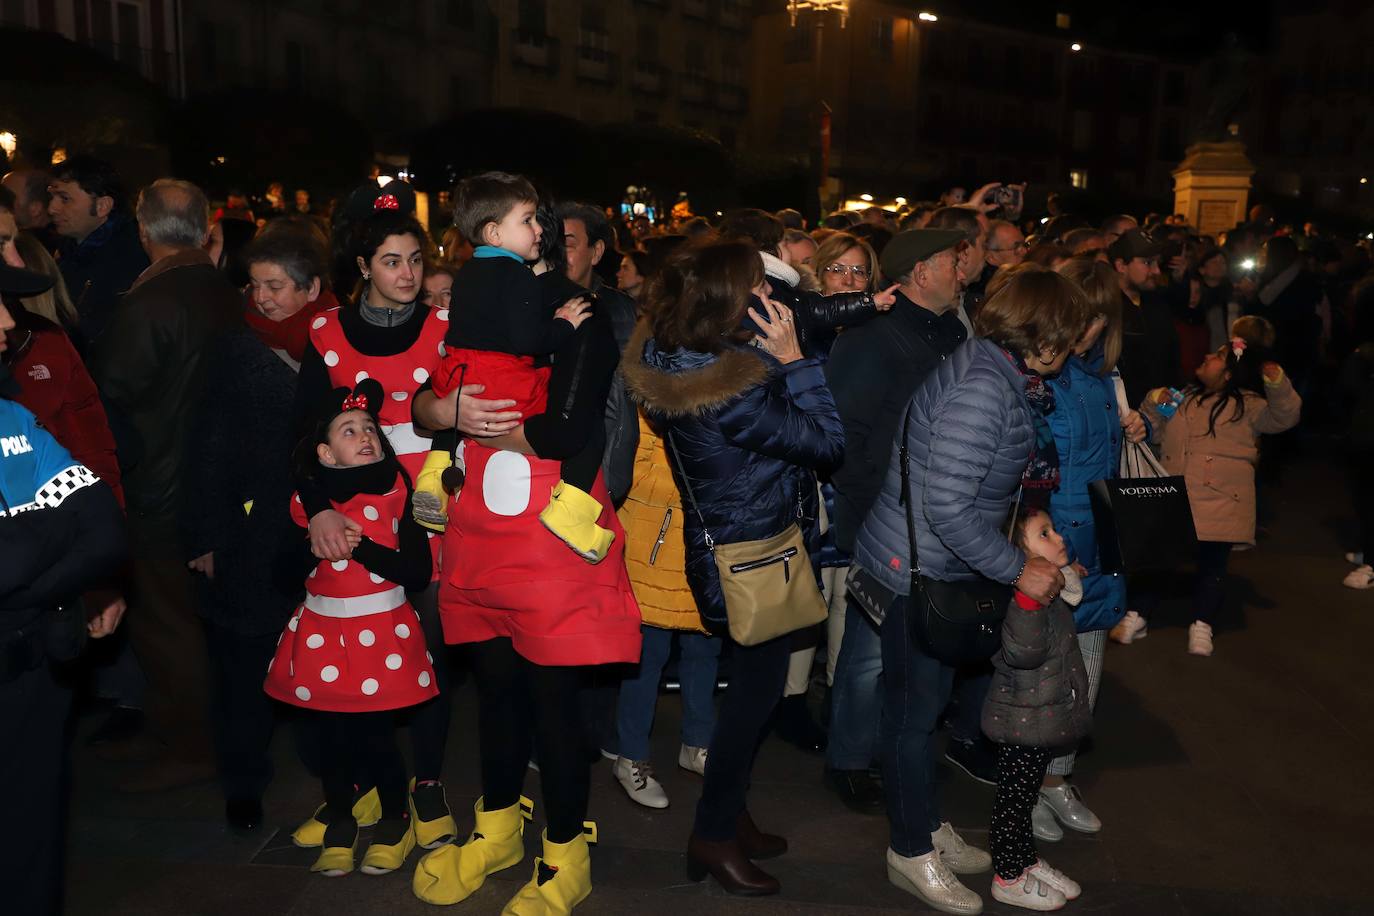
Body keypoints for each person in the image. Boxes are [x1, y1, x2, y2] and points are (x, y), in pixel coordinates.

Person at [410, 212, 640, 915]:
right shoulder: (483, 300)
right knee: (496, 693)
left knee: (553, 706)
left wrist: (478, 423)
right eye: (534, 230)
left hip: (547, 536)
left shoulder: (582, 318)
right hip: (476, 525)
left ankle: (567, 853)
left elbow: (569, 429)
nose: (541, 246)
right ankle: (501, 826)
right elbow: (425, 400)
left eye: (556, 235)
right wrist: (442, 408)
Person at [853, 264, 1091, 914]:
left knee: (923, 711)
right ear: (1041, 335)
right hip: (915, 569)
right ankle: (909, 849)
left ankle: (925, 827)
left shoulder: (989, 367)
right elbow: (949, 509)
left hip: (925, 563)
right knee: (909, 718)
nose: (1072, 352)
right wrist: (1021, 568)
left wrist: (1023, 525)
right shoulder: (986, 387)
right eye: (1068, 338)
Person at [623, 241, 844, 897]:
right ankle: (714, 835)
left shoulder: (676, 357)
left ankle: (731, 815)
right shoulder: (730, 390)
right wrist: (796, 362)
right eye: (756, 288)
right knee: (752, 700)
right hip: (752, 559)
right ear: (729, 304)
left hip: (726, 547)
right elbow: (828, 441)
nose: (768, 297)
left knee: (750, 693)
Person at [293, 190, 457, 851]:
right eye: (392, 261)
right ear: (363, 265)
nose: (408, 274)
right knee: (354, 652)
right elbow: (302, 437)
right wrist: (319, 509)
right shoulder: (325, 335)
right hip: (352, 516)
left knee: (432, 649)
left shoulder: (445, 329)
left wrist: (440, 490)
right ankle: (362, 785)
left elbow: (458, 425)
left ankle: (428, 784)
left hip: (430, 507)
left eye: (416, 260)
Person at [89, 178, 242, 792]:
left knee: (165, 623)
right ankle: (186, 734)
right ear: (205, 229)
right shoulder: (219, 289)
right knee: (192, 620)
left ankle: (188, 746)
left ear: (143, 228)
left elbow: (113, 399)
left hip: (159, 485)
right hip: (207, 482)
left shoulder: (152, 300)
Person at [182, 225, 334, 831]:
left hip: (323, 533)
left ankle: (330, 764)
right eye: (255, 284)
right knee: (244, 666)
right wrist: (205, 537)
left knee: (324, 650)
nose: (262, 297)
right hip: (252, 533)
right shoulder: (235, 348)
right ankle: (243, 782)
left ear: (312, 288)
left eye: (276, 286)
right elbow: (207, 447)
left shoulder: (337, 344)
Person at [266, 379, 436, 877]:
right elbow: (279, 577)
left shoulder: (399, 494)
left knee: (379, 736)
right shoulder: (306, 505)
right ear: (326, 453)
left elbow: (418, 572)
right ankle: (340, 816)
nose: (365, 435)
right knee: (331, 738)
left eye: (370, 428)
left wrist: (357, 545)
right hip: (322, 634)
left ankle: (394, 817)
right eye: (348, 430)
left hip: (382, 633)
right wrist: (313, 540)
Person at [823, 228, 968, 814]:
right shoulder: (870, 336)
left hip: (939, 522)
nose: (964, 272)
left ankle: (899, 749)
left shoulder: (953, 333)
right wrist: (871, 518)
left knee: (924, 648)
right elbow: (845, 439)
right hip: (885, 525)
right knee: (868, 653)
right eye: (953, 263)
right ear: (921, 272)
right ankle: (849, 760)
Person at [0, 336, 127, 915]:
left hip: (31, 672)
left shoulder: (12, 416)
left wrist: (21, 589)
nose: (7, 322)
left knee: (32, 846)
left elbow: (103, 532)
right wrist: (51, 532)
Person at [1032, 256, 1145, 843]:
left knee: (1087, 672)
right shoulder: (1039, 375)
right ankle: (1029, 787)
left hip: (1097, 542)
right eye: (1084, 318)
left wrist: (1133, 427)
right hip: (1052, 543)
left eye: (1099, 321)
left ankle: (1058, 779)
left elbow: (1100, 466)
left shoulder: (1102, 378)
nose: (1090, 332)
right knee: (1040, 676)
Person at [1141, 338, 1301, 656]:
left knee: (1212, 567)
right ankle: (1137, 614)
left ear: (1229, 374)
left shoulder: (1249, 406)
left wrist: (1276, 382)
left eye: (1217, 356)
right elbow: (1153, 430)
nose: (1207, 355)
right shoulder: (1182, 398)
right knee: (1158, 561)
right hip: (1178, 497)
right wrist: (1152, 403)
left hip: (1220, 501)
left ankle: (1202, 623)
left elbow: (1285, 416)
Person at [982, 509, 1090, 912]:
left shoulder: (1052, 591)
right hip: (1022, 719)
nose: (1059, 536)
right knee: (1013, 801)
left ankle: (1025, 861)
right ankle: (1008, 876)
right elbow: (1024, 654)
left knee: (1025, 797)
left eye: (1054, 529)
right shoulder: (1026, 600)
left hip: (1041, 715)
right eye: (1044, 534)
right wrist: (1028, 601)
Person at [47, 156, 149, 343]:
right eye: (52, 197)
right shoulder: (67, 251)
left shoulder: (128, 262)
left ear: (102, 206)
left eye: (65, 199)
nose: (52, 208)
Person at [1110, 228, 1180, 405]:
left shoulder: (1158, 304)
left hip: (1162, 412)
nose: (1156, 271)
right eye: (1148, 263)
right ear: (1121, 266)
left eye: (1157, 263)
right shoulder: (1108, 310)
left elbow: (1171, 362)